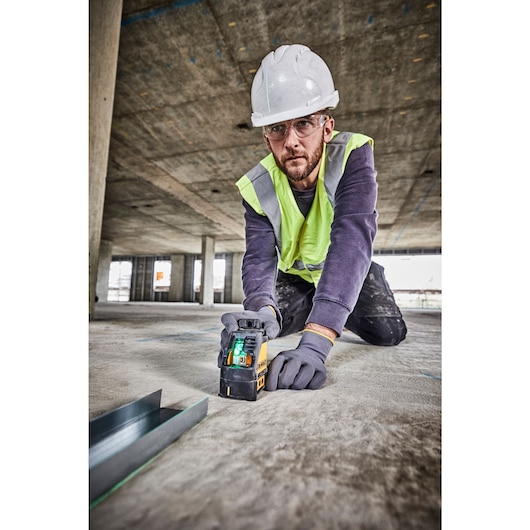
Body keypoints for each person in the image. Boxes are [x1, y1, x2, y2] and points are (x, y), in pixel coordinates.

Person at [219, 44, 407, 392]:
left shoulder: (352, 155)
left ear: (326, 127)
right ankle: (326, 306)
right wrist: (261, 310)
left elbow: (353, 237)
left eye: (303, 124)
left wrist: (317, 341)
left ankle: (341, 299)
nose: (290, 141)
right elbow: (259, 258)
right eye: (277, 129)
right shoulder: (256, 187)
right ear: (266, 138)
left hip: (346, 266)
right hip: (296, 277)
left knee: (387, 333)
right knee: (272, 323)